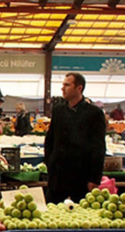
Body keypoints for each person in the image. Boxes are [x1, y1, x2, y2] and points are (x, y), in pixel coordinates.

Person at [44, 73, 107, 202]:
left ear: (79, 88)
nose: (63, 88)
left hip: (80, 175)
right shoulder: (58, 110)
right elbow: (50, 139)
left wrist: (94, 178)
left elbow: (98, 147)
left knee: (80, 215)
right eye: (63, 85)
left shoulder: (94, 113)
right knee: (52, 211)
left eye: (67, 85)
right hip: (58, 175)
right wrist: (50, 163)